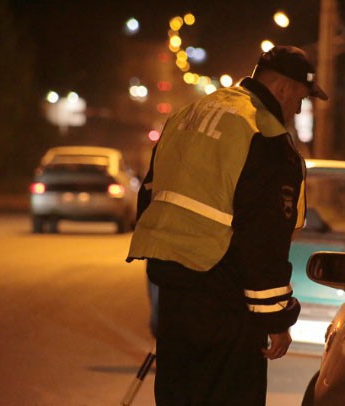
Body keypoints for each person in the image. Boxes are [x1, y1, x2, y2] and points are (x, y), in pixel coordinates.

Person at [126, 45, 328, 405]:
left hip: (173, 291)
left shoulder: (191, 113)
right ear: (282, 88)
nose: (299, 109)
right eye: (300, 98)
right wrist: (276, 319)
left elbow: (151, 195)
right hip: (224, 299)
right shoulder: (263, 132)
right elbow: (263, 239)